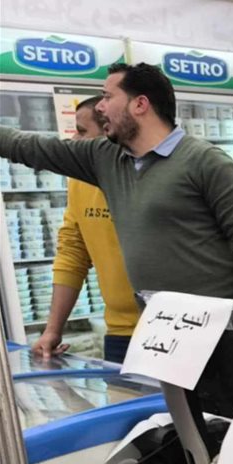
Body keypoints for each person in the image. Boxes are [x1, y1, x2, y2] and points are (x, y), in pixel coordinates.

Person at [0, 63, 233, 309]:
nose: (100, 107)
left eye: (107, 97)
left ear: (140, 104)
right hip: (155, 325)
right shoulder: (103, 157)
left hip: (217, 324)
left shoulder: (205, 161)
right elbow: (28, 147)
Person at [30, 97, 139, 364]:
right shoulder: (80, 181)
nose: (74, 140)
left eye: (81, 131)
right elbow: (73, 253)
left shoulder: (148, 175)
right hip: (120, 333)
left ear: (108, 132)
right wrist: (53, 329)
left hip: (174, 327)